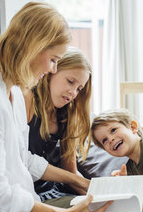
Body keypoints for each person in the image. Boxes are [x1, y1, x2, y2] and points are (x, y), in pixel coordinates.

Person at [0, 2, 126, 212]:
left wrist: (79, 188)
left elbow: (25, 161)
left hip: (12, 211)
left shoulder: (14, 94)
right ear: (33, 46)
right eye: (54, 59)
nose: (52, 69)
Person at [24, 46, 92, 200]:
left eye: (79, 89)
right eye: (70, 82)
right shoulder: (27, 100)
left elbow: (71, 172)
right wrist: (80, 182)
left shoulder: (67, 116)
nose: (73, 92)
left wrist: (96, 196)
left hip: (53, 190)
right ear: (50, 73)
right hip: (26, 192)